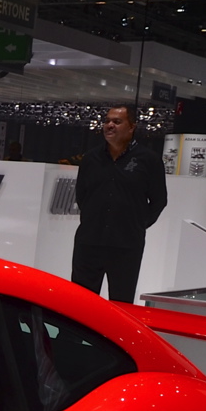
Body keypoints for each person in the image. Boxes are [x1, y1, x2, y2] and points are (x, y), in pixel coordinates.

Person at [71, 104, 166, 303]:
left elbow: (159, 201)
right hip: (89, 243)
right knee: (80, 303)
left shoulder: (149, 160)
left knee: (121, 304)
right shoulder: (90, 159)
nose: (109, 125)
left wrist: (137, 224)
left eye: (117, 121)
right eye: (107, 121)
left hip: (126, 246)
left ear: (131, 127)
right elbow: (82, 196)